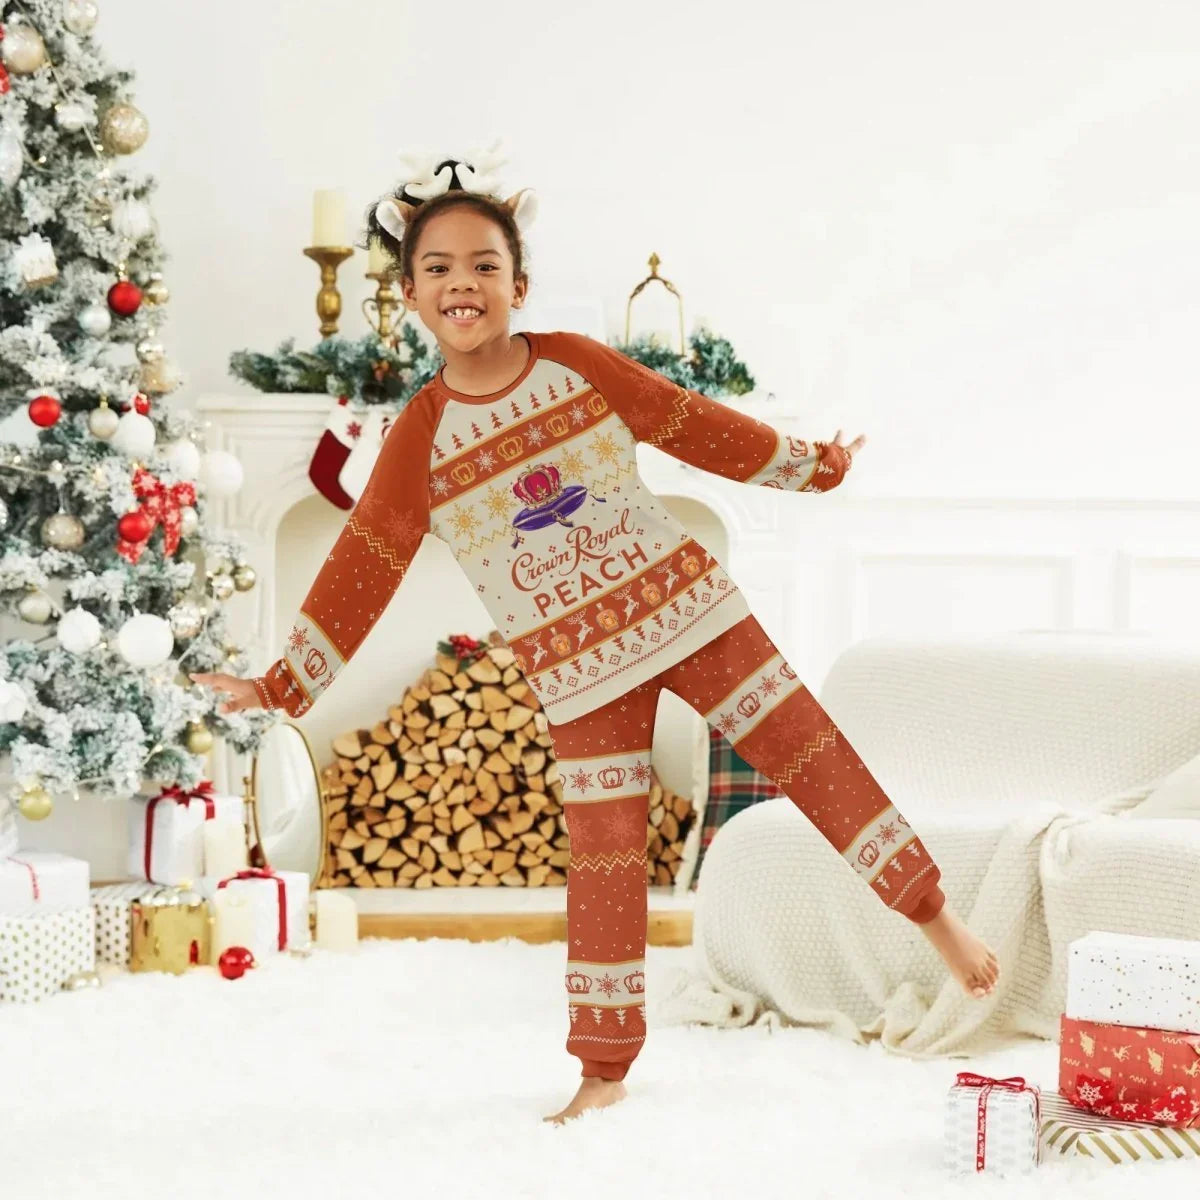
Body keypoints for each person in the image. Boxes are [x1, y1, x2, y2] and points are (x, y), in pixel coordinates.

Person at [192, 148, 999, 1125]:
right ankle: (604, 1068)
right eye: (439, 267)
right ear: (408, 294)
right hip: (579, 677)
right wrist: (281, 690)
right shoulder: (419, 436)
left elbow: (693, 424)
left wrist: (813, 468)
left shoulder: (575, 362)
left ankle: (937, 920)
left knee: (813, 756)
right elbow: (362, 569)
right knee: (607, 861)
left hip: (692, 613)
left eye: (485, 265)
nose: (463, 283)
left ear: (519, 285)